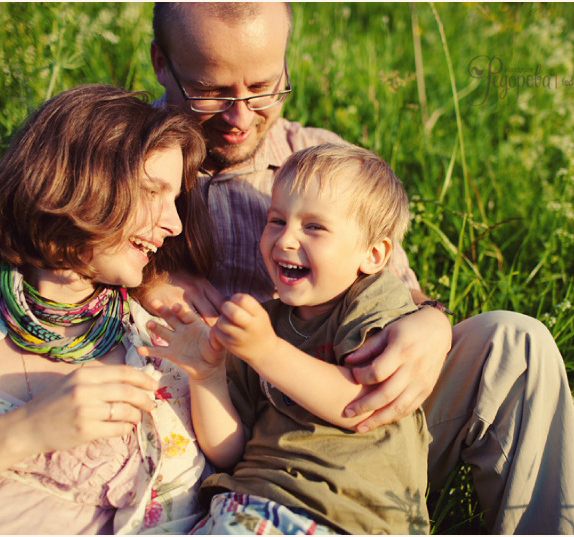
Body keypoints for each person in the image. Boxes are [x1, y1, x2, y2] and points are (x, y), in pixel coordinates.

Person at [146, 2, 574, 533]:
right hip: (244, 436)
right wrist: (147, 274)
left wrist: (429, 322)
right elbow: (43, 247)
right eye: (213, 91)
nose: (241, 115)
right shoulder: (122, 154)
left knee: (515, 344)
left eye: (265, 86)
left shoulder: (320, 156)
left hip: (362, 423)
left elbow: (396, 291)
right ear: (162, 62)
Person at [0, 85, 215, 533]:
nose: (174, 223)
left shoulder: (161, 355)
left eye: (174, 200)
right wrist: (29, 429)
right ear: (79, 184)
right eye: (150, 192)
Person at [142, 143, 430, 534]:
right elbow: (228, 450)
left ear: (374, 255)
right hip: (247, 502)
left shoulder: (374, 300)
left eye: (313, 227)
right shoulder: (263, 324)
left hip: (345, 515)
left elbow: (361, 404)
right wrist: (206, 374)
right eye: (277, 221)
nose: (285, 240)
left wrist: (267, 351)